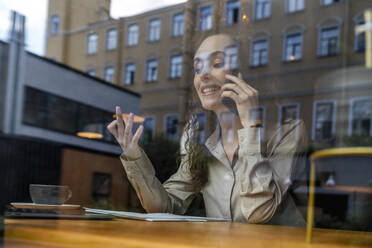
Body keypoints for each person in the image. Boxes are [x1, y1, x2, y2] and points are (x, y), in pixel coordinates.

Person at [107, 34, 307, 225]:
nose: (203, 74)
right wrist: (133, 156)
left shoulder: (288, 134)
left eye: (218, 63)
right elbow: (166, 206)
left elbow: (259, 211)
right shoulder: (201, 143)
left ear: (245, 73)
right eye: (197, 68)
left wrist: (251, 127)